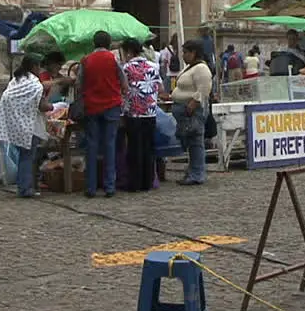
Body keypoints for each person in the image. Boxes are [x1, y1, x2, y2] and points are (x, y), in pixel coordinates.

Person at [77, 30, 127, 198]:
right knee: (110, 145)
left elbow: (79, 84)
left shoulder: (86, 60)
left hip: (91, 106)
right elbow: (124, 82)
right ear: (108, 44)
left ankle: (90, 187)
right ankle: (109, 186)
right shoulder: (113, 59)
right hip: (112, 105)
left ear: (94, 43)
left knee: (91, 146)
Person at [0, 54, 51, 198]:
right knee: (27, 157)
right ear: (34, 67)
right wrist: (51, 106)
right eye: (38, 66)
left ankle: (23, 185)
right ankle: (25, 188)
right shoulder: (34, 84)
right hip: (28, 124)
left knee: (23, 157)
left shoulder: (16, 81)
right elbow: (42, 105)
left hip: (16, 123)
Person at [161, 39, 211, 186]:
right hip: (184, 108)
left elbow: (203, 88)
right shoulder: (191, 67)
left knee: (195, 142)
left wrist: (193, 103)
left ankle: (197, 173)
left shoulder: (201, 69)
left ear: (193, 53)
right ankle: (193, 170)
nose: (183, 55)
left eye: (185, 52)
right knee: (191, 142)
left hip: (192, 110)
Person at [120, 38, 160, 192]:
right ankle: (147, 181)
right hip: (150, 111)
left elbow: (123, 89)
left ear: (129, 51)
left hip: (134, 112)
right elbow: (160, 86)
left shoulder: (127, 68)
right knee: (148, 147)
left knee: (134, 148)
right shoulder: (153, 66)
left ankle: (134, 182)